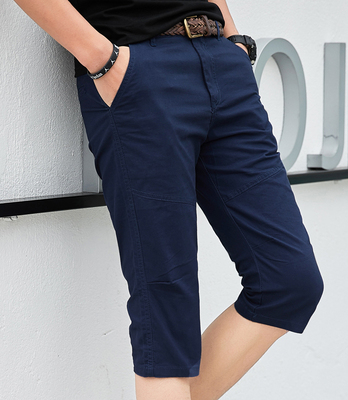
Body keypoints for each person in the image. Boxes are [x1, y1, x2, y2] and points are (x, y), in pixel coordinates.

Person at [14, 1, 324, 399]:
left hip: (222, 63)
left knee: (290, 281)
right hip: (137, 69)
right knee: (166, 313)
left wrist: (234, 41)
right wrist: (105, 61)